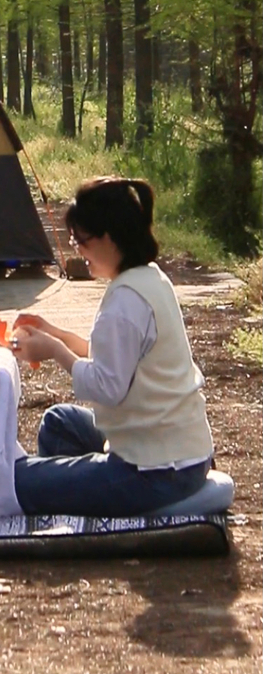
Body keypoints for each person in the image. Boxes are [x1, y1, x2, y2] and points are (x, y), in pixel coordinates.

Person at [11, 176, 213, 517]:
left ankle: (81, 494)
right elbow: (113, 357)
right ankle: (80, 491)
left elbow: (108, 387)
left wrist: (54, 351)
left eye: (80, 240)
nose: (76, 248)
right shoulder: (149, 278)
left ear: (109, 237)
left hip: (156, 472)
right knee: (59, 421)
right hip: (178, 452)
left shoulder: (125, 302)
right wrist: (53, 333)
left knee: (16, 480)